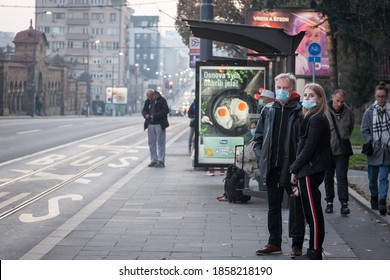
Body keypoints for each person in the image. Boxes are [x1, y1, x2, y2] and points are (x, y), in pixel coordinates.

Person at [253, 73, 304, 258]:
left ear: (292, 89)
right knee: (273, 207)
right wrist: (261, 157)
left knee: (296, 208)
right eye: (279, 88)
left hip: (292, 169)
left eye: (286, 88)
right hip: (272, 168)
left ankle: (296, 245)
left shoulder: (300, 110)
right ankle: (274, 242)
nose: (282, 91)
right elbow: (258, 138)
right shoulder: (268, 109)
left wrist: (299, 166)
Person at [290, 83, 331, 260]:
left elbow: (308, 148)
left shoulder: (316, 119)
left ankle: (314, 251)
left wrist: (294, 168)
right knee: (311, 212)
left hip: (310, 169)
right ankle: (313, 250)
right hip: (308, 169)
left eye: (312, 96)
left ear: (320, 99)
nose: (307, 99)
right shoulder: (311, 118)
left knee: (313, 213)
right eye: (305, 96)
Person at [324, 89, 355, 215]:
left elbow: (350, 128)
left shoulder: (348, 112)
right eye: (337, 100)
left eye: (342, 101)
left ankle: (344, 204)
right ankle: (329, 202)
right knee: (328, 178)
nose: (339, 104)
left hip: (342, 151)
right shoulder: (324, 110)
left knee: (342, 177)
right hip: (327, 150)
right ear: (332, 98)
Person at [361, 83, 390, 215]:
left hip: (387, 150)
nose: (380, 99)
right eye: (378, 97)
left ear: (387, 96)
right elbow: (364, 130)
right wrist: (371, 141)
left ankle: (382, 202)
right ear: (375, 96)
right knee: (372, 179)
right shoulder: (369, 112)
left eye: (383, 97)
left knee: (383, 178)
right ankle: (374, 196)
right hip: (373, 150)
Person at [142, 89, 169, 168]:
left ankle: (161, 161)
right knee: (151, 143)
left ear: (153, 95)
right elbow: (144, 110)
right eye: (148, 97)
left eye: (150, 97)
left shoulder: (161, 100)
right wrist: (145, 115)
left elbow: (166, 111)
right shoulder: (148, 101)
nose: (149, 98)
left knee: (160, 143)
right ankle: (154, 160)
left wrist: (155, 115)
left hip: (159, 124)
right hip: (150, 124)